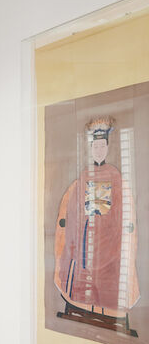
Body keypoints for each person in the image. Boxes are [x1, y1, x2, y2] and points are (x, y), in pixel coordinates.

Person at [54, 116, 140, 332]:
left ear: (107, 148)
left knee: (109, 278)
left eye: (102, 146)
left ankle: (112, 314)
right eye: (96, 146)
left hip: (109, 244)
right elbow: (71, 211)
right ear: (90, 148)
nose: (99, 150)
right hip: (84, 243)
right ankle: (79, 307)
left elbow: (123, 214)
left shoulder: (115, 178)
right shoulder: (81, 179)